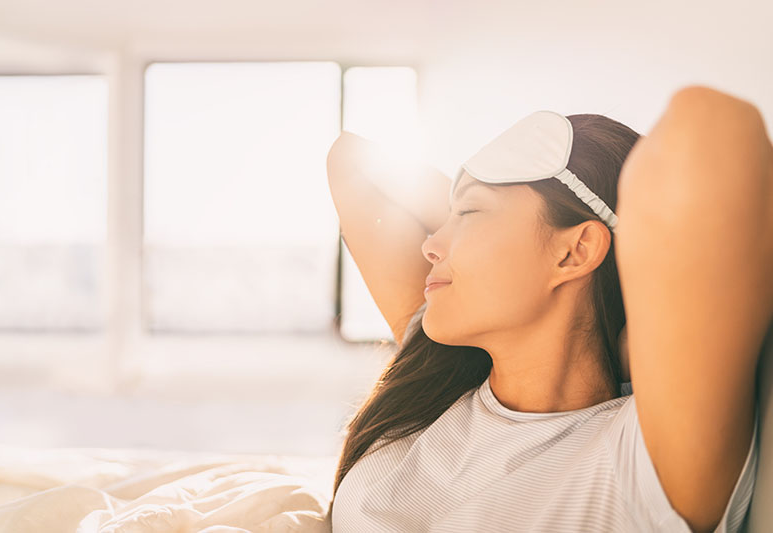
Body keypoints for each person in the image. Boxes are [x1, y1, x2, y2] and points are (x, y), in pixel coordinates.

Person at [325, 85, 772, 532]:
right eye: (447, 216)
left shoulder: (637, 462)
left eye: (470, 215)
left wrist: (637, 330)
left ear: (575, 252)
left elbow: (711, 124)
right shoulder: (434, 378)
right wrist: (473, 189)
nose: (430, 244)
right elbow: (350, 161)